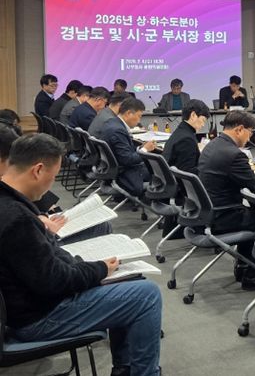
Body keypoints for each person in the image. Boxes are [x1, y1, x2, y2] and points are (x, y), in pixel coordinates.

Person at [0, 134, 162, 375]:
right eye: (54, 176)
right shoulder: (16, 218)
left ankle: (125, 369)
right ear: (38, 170)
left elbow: (45, 265)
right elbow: (54, 281)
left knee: (129, 280)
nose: (51, 185)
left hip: (30, 305)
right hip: (38, 318)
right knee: (146, 295)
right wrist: (99, 269)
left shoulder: (11, 205)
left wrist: (90, 268)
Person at [198, 110, 255, 289]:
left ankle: (243, 267)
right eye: (251, 132)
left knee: (252, 212)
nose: (250, 137)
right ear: (240, 129)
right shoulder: (234, 154)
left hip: (206, 212)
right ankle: (252, 275)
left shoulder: (212, 145)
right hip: (223, 216)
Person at [101, 98, 154, 198]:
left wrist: (140, 148)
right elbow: (127, 159)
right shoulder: (118, 130)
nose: (139, 120)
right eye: (139, 116)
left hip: (113, 169)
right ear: (129, 113)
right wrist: (145, 150)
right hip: (125, 174)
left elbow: (124, 151)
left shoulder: (111, 122)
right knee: (162, 171)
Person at [163, 99, 211, 175]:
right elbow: (188, 174)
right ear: (193, 115)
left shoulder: (181, 131)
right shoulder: (187, 140)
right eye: (203, 120)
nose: (203, 125)